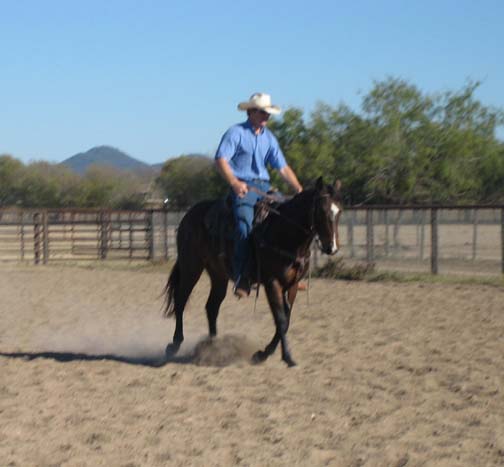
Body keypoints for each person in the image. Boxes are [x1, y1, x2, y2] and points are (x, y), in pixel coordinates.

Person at [215, 92, 303, 299]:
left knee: (288, 218)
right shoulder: (235, 133)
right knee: (244, 223)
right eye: (263, 112)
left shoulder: (269, 138)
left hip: (265, 187)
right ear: (251, 112)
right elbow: (221, 160)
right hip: (243, 187)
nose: (266, 116)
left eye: (268, 113)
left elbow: (282, 168)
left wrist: (299, 189)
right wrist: (235, 183)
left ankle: (289, 273)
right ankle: (241, 276)